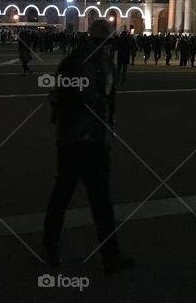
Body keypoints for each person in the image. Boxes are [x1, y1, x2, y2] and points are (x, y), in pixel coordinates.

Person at [43, 19, 133, 274]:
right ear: (96, 41)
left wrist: (107, 127)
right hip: (73, 140)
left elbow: (109, 99)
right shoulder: (75, 63)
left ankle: (111, 256)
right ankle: (50, 246)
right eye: (105, 43)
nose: (108, 47)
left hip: (95, 141)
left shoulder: (105, 64)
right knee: (62, 195)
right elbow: (61, 96)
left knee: (101, 201)